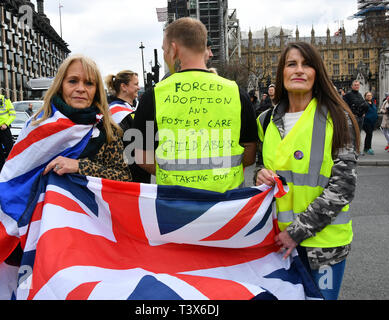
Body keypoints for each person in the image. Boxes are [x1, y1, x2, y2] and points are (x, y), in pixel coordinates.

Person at [255, 42, 360, 300]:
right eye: (292, 64)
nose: (299, 70)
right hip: (278, 244)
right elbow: (264, 168)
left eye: (307, 64)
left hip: (324, 247)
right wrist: (260, 175)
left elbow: (343, 187)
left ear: (317, 73)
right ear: (282, 73)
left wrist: (296, 232)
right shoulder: (266, 120)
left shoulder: (337, 117)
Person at [133, 17, 257, 193]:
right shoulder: (236, 93)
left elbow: (141, 156)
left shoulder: (153, 95)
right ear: (203, 48)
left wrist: (170, 173)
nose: (165, 54)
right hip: (228, 206)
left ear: (174, 49)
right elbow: (250, 154)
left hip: (176, 205)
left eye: (165, 49)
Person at [38, 55, 132, 181]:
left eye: (89, 83)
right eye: (72, 81)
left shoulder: (107, 129)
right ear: (60, 86)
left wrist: (80, 167)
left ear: (96, 90)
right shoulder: (38, 124)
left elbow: (124, 178)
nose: (81, 89)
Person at [105, 70, 150, 183]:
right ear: (124, 87)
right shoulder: (114, 112)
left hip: (143, 169)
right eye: (135, 84)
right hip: (127, 172)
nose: (139, 87)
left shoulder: (135, 107)